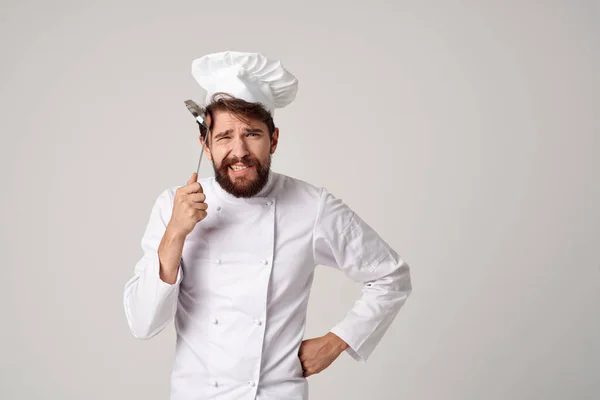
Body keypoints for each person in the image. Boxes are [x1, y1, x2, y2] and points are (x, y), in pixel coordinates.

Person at [123, 51, 412, 400]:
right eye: (225, 136)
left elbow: (391, 275)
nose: (239, 151)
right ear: (205, 144)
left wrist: (339, 340)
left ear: (273, 140)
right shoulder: (173, 206)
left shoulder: (311, 206)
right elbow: (143, 325)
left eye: (252, 134)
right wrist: (175, 234)